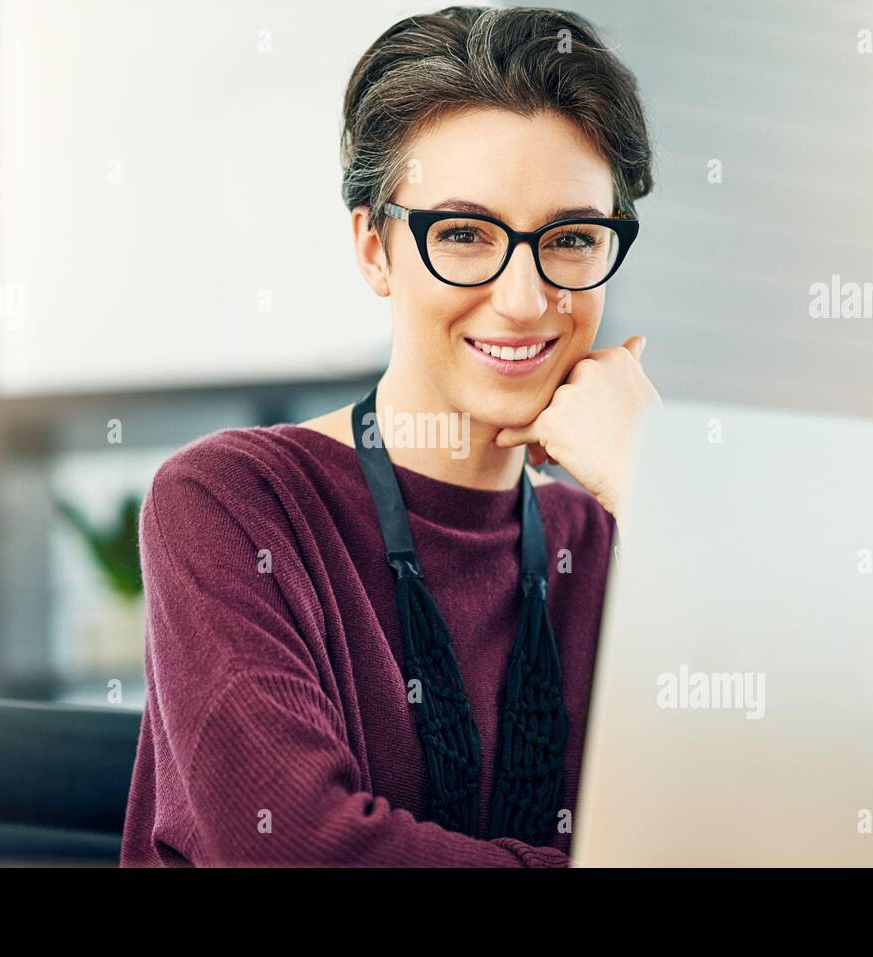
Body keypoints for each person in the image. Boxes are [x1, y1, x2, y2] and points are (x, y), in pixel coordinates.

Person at [120, 4, 660, 867]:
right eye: (463, 234)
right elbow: (296, 851)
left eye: (569, 239)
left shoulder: (607, 538)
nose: (523, 298)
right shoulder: (231, 504)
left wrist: (655, 486)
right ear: (375, 248)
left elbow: (795, 819)